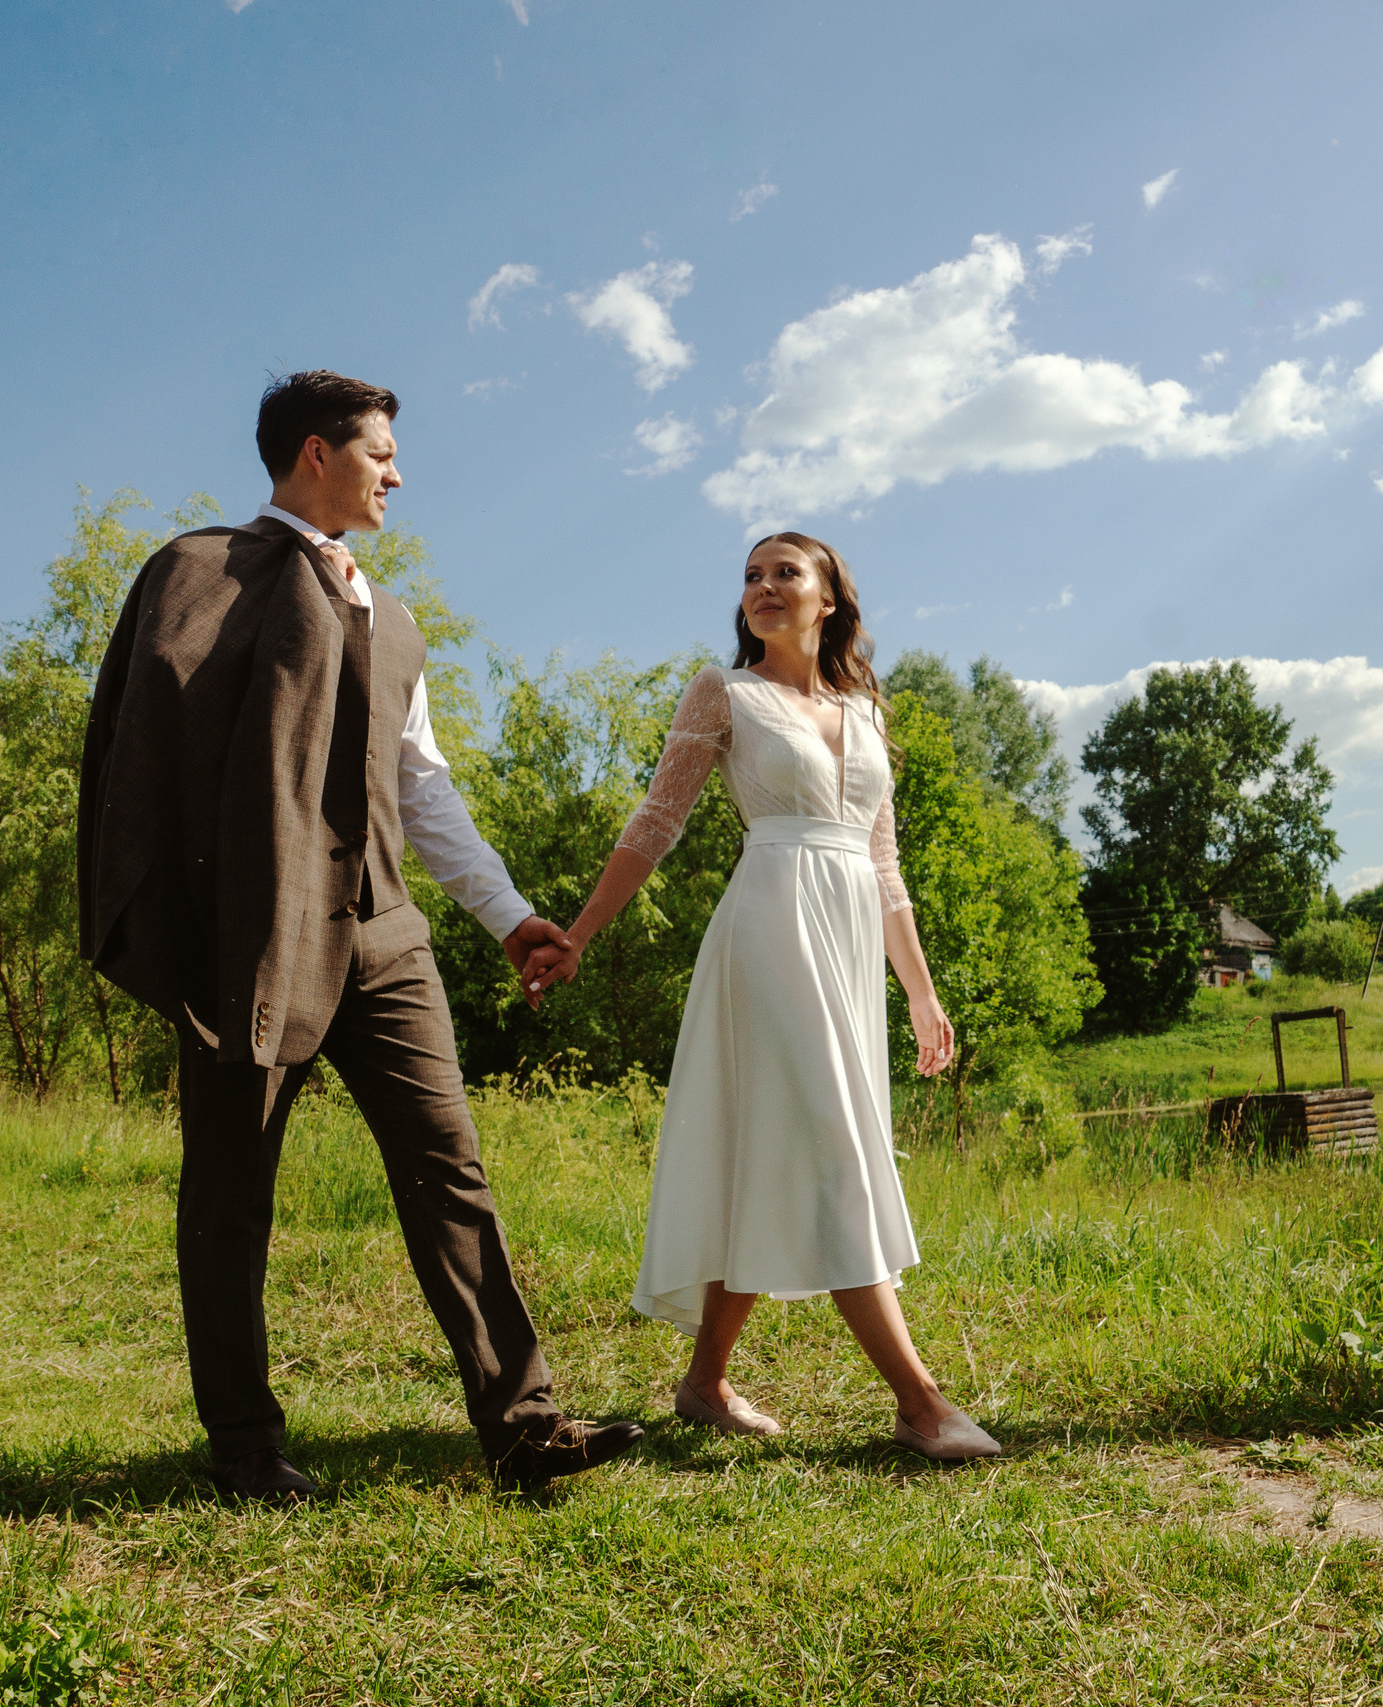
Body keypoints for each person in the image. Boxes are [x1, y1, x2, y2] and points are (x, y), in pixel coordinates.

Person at [78, 370, 644, 1499]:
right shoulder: (201, 572)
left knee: (451, 1173)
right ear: (310, 453)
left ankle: (524, 1425)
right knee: (231, 1198)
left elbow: (420, 787)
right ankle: (243, 1450)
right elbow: (145, 764)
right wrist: (190, 932)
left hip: (385, 937)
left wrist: (506, 913)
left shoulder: (393, 618)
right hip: (252, 944)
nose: (397, 472)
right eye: (379, 451)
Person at [525, 532, 1002, 1460]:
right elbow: (657, 821)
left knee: (784, 1148)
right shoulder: (723, 692)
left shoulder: (866, 712)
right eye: (751, 576)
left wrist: (921, 993)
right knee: (828, 1146)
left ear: (830, 597)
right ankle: (920, 1401)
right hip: (770, 928)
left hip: (852, 938)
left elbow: (884, 863)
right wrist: (579, 931)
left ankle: (704, 1380)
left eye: (786, 572)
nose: (763, 587)